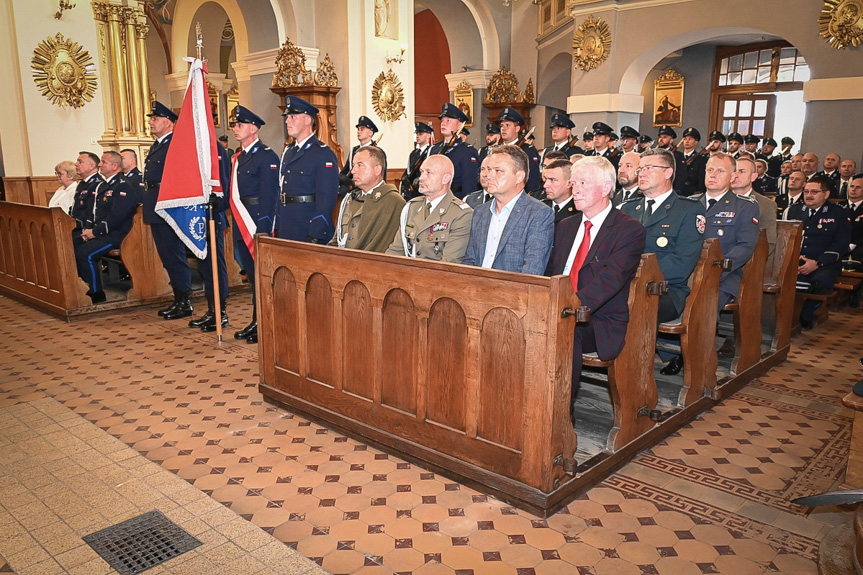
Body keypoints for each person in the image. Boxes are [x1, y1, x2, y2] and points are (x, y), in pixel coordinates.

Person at [547, 156, 645, 414]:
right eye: (573, 183)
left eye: (582, 183)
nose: (574, 189)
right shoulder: (566, 226)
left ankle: (560, 421)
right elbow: (550, 273)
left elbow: (608, 281)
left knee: (566, 333)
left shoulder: (628, 230)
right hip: (559, 310)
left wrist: (566, 310)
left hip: (596, 320)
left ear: (605, 188)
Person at [621, 149, 705, 327]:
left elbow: (681, 263)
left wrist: (635, 276)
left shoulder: (688, 210)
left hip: (665, 290)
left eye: (649, 168)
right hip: (624, 284)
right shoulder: (627, 210)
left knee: (622, 304)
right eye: (640, 169)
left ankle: (631, 355)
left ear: (668, 172)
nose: (641, 173)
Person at [219, 105, 279, 343]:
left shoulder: (266, 156)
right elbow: (233, 193)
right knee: (253, 278)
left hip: (256, 224)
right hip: (240, 223)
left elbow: (270, 195)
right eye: (235, 125)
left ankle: (264, 322)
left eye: (239, 125)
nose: (235, 128)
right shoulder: (238, 157)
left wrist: (263, 228)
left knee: (262, 277)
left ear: (253, 129)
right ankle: (257, 320)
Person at [461, 145, 554, 275]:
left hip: (512, 292)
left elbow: (532, 271)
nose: (489, 176)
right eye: (488, 169)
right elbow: (470, 261)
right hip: (476, 290)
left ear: (519, 177)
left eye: (498, 171)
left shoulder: (538, 214)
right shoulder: (480, 212)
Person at [144, 101, 194, 320]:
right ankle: (178, 299)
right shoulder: (157, 145)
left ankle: (185, 302)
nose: (151, 123)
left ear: (168, 122)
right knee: (167, 256)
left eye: (155, 119)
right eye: (151, 119)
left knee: (175, 255)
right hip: (155, 204)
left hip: (168, 206)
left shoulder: (175, 144)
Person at [696, 153, 760, 310]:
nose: (713, 174)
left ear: (732, 177)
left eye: (720, 171)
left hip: (723, 276)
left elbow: (744, 247)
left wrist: (714, 271)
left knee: (702, 307)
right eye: (710, 170)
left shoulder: (745, 206)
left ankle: (704, 335)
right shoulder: (690, 203)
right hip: (687, 272)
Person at [73, 151, 137, 304]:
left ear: (114, 166)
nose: (100, 164)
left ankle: (96, 292)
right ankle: (81, 285)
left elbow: (116, 217)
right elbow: (92, 212)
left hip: (116, 234)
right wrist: (87, 230)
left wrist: (95, 232)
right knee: (74, 244)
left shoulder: (123, 186)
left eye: (103, 162)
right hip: (101, 232)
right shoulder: (103, 185)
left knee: (85, 254)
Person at [787, 176, 851, 329]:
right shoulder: (794, 210)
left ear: (826, 194)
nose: (809, 195)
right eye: (806, 191)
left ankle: (807, 313)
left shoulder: (838, 214)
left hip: (825, 263)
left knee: (821, 282)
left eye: (814, 192)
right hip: (797, 259)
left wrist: (817, 263)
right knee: (787, 280)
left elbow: (841, 245)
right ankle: (787, 316)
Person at [276, 95, 339, 244]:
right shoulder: (288, 152)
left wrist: (316, 233)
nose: (287, 121)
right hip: (287, 226)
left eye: (292, 117)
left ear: (307, 120)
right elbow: (281, 190)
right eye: (287, 117)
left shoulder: (323, 154)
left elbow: (327, 200)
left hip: (307, 229)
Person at [386, 155, 473, 263]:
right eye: (421, 172)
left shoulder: (460, 214)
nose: (421, 178)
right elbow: (396, 251)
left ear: (445, 179)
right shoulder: (412, 207)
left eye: (428, 173)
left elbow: (449, 264)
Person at [331, 146, 405, 252]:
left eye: (360, 165)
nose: (353, 171)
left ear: (377, 169)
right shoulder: (350, 198)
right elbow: (337, 240)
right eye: (353, 165)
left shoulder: (393, 202)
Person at [430, 103, 479, 198]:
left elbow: (469, 188)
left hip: (455, 200)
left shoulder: (467, 152)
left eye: (448, 120)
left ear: (459, 125)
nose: (443, 123)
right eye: (442, 121)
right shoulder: (434, 149)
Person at [732, 156, 778, 257]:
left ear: (753, 176)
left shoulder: (765, 204)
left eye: (741, 171)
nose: (736, 175)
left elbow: (768, 243)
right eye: (734, 171)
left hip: (747, 261)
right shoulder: (720, 199)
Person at [497, 107, 541, 194]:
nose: (503, 128)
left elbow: (532, 182)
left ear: (517, 128)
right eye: (502, 125)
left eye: (508, 125)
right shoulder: (497, 150)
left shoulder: (527, 151)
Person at [339, 116, 384, 196]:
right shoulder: (354, 151)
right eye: (358, 129)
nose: (359, 131)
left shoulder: (377, 152)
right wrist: (343, 178)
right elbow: (344, 172)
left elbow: (381, 177)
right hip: (352, 192)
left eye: (362, 129)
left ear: (370, 132)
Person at [841, 174, 863, 305]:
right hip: (841, 244)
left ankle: (855, 293)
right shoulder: (839, 207)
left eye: (858, 187)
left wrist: (854, 244)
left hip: (859, 246)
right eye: (852, 186)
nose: (853, 189)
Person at [400, 121, 434, 200]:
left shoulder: (431, 152)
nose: (418, 136)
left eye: (421, 134)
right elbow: (409, 170)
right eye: (417, 134)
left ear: (428, 135)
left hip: (423, 190)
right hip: (412, 191)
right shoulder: (413, 153)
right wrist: (405, 178)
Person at [542, 158, 576, 226]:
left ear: (569, 183)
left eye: (552, 180)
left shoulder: (578, 211)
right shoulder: (538, 207)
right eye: (546, 179)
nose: (545, 185)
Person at [655, 125, 687, 191]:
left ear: (671, 140)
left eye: (664, 137)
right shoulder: (654, 154)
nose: (661, 139)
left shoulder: (678, 156)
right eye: (660, 137)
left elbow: (680, 176)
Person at [680, 127, 705, 196]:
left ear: (696, 142)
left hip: (692, 193)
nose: (687, 141)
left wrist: (700, 192)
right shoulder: (678, 157)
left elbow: (701, 179)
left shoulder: (700, 159)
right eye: (685, 139)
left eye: (690, 139)